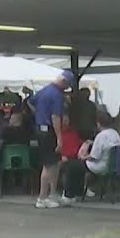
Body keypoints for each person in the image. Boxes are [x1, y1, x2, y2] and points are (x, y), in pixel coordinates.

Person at [29, 70, 71, 209]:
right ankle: (42, 197)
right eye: (67, 86)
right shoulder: (56, 95)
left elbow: (31, 102)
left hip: (40, 129)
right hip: (49, 131)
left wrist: (39, 114)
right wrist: (59, 137)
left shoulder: (44, 91)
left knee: (54, 163)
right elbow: (55, 117)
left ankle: (52, 194)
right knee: (49, 165)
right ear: (64, 82)